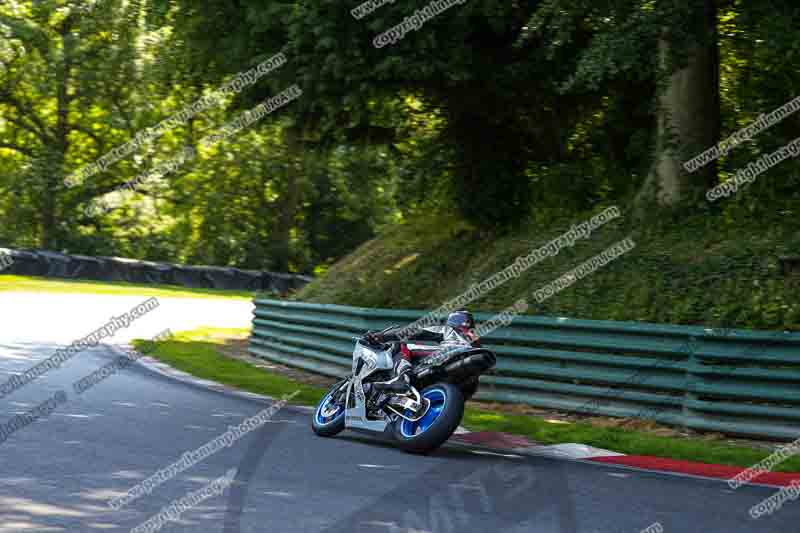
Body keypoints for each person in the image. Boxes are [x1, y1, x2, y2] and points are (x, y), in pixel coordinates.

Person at [363, 310, 479, 391]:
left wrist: (382, 336)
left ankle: (402, 379)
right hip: (462, 375)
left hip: (447, 355)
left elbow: (416, 332)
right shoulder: (474, 339)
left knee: (401, 346)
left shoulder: (449, 330)